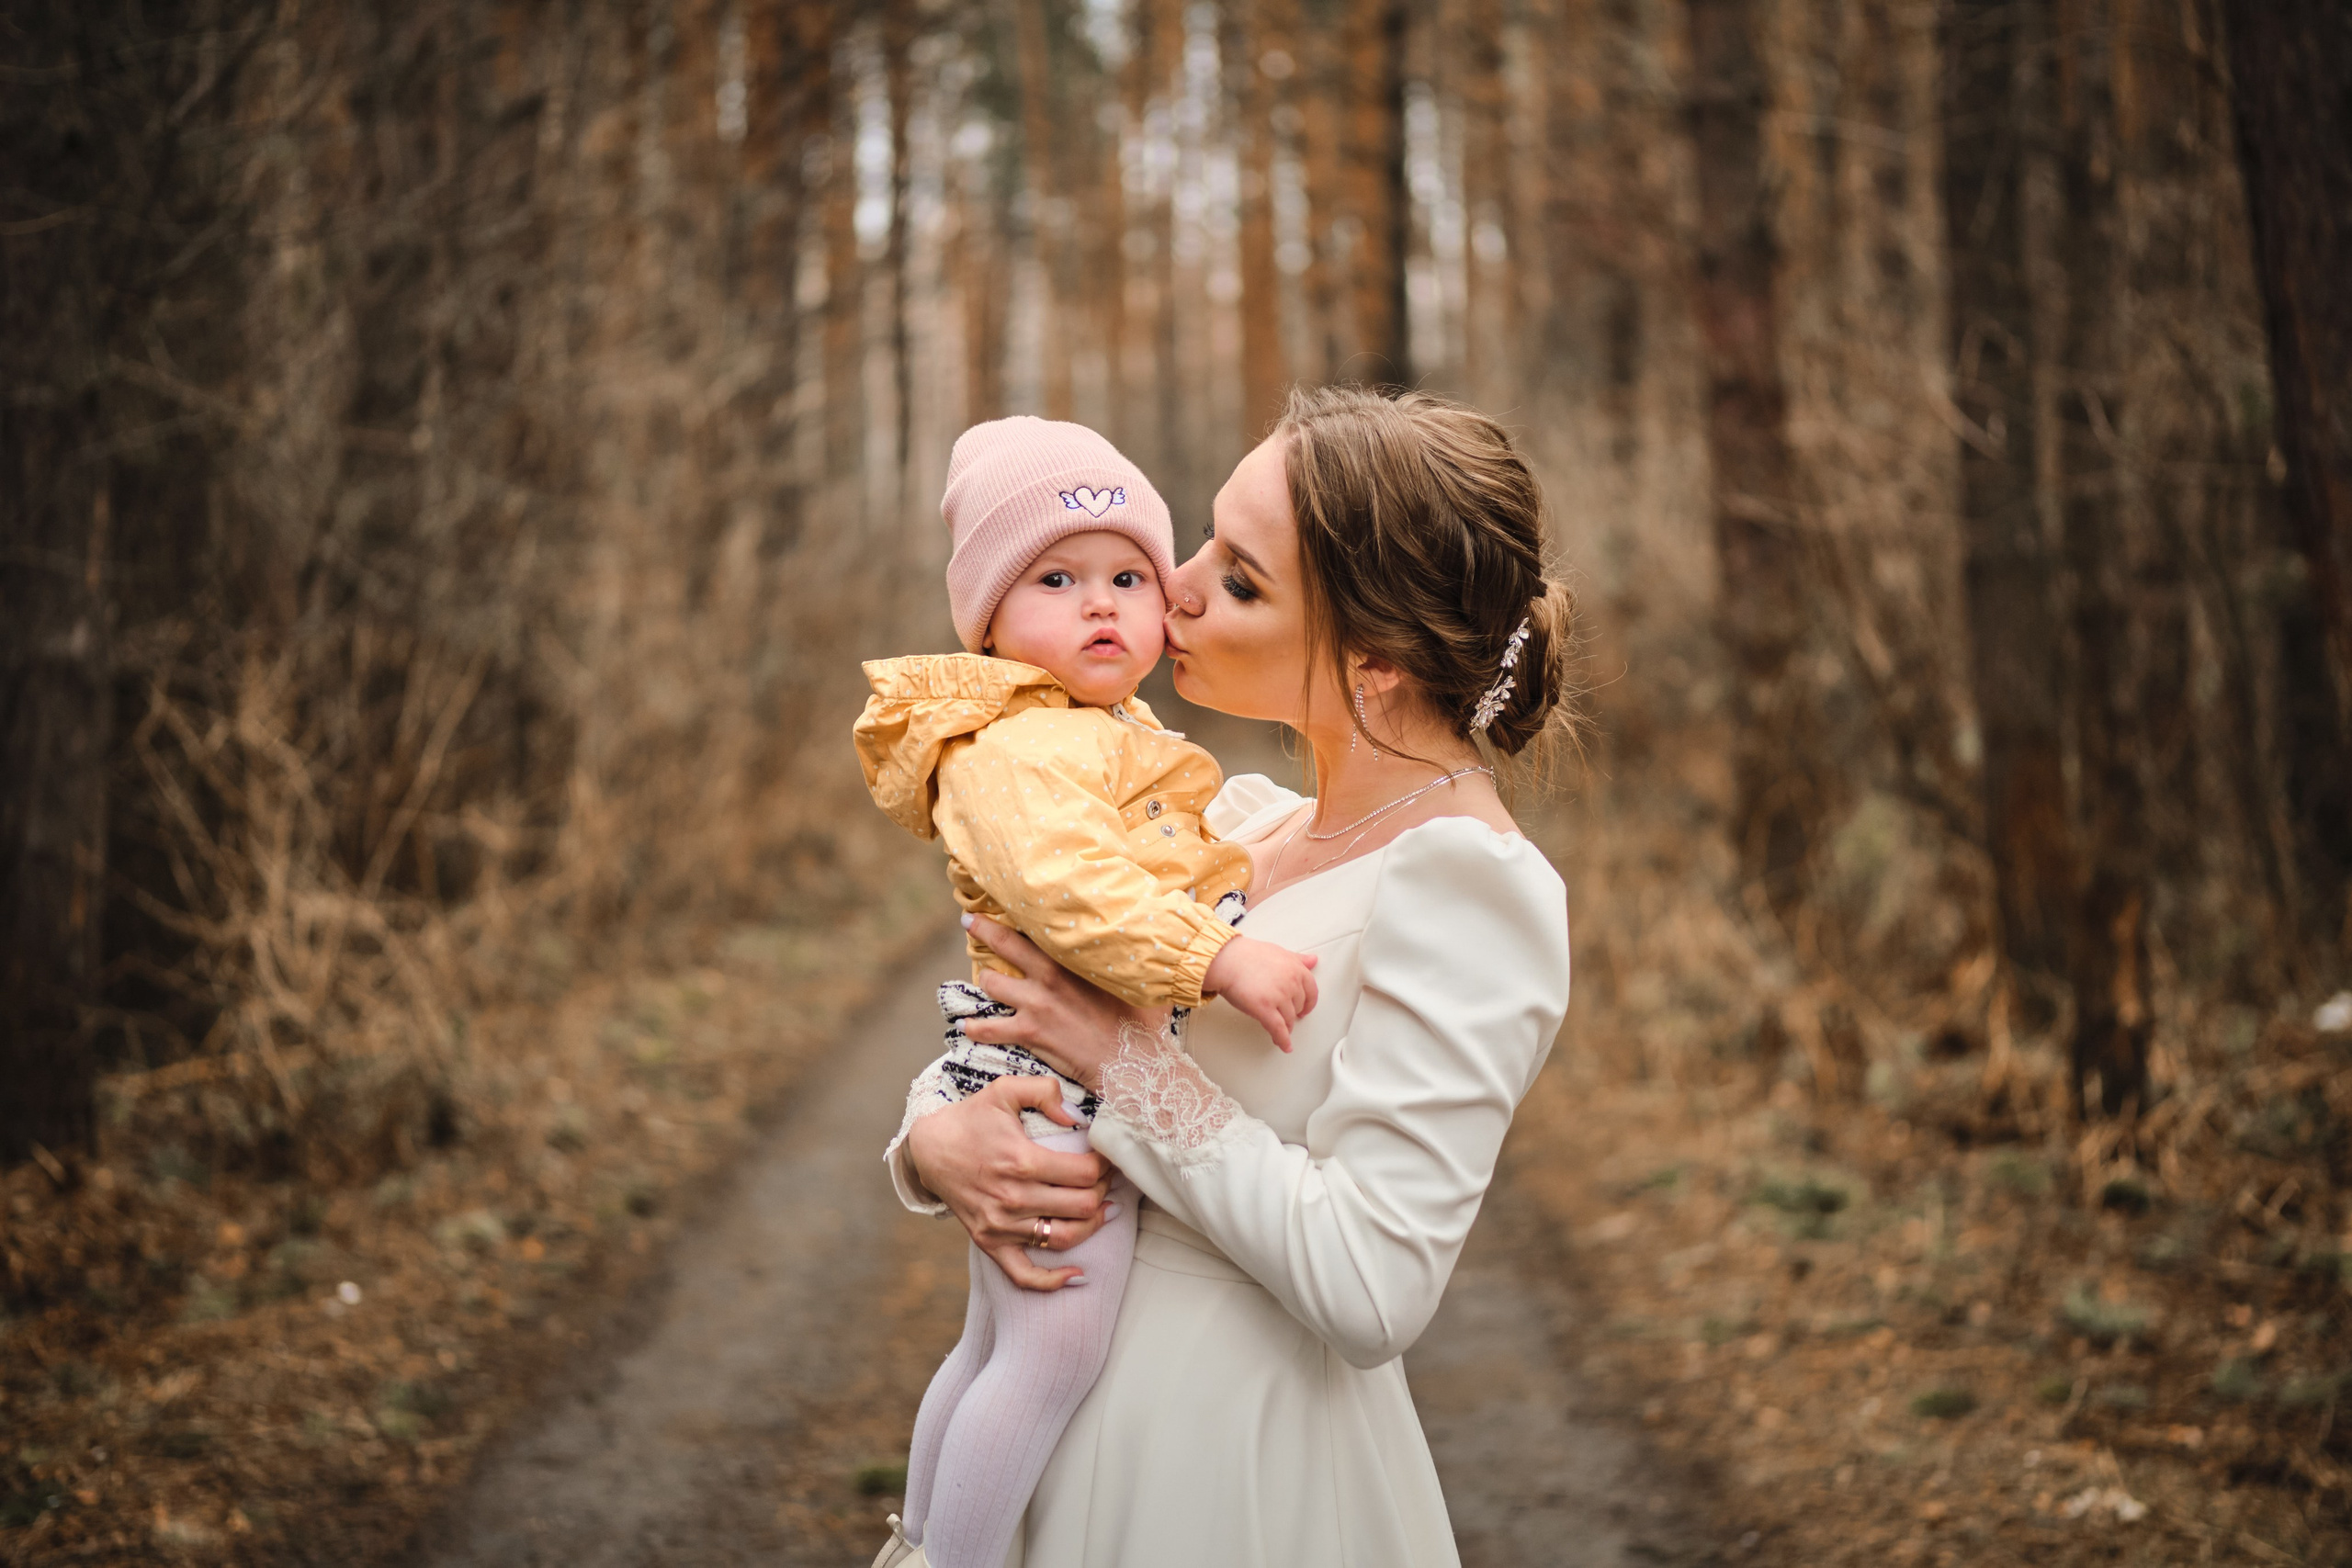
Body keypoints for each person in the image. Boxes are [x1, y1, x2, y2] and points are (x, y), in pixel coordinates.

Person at [873, 384, 1580, 1568]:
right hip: (1055, 1426)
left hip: (1229, 1468)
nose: (1173, 585)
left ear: (1374, 659)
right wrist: (933, 1144)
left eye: (1239, 580)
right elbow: (1028, 1021)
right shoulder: (1236, 826)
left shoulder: (1469, 885)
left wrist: (1125, 1068)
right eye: (1199, 539)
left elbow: (1372, 1286)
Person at [854, 416, 1323, 1568]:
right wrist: (1216, 956)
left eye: (1127, 577)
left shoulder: (1090, 728)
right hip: (1055, 1085)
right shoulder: (1021, 748)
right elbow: (1073, 891)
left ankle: (923, 1548)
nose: (1100, 606)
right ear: (988, 621)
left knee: (993, 1342)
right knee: (1052, 1352)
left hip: (1043, 1069)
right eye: (1055, 581)